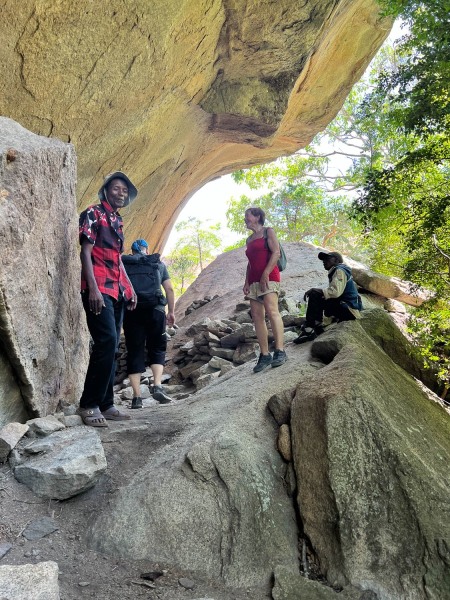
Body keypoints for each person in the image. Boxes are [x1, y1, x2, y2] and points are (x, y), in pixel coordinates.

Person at [78, 171, 138, 427]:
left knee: (112, 348)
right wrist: (92, 289)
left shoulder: (118, 220)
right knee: (106, 341)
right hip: (98, 288)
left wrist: (130, 288)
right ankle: (88, 405)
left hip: (117, 290)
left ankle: (107, 403)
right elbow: (85, 252)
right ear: (106, 191)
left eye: (124, 190)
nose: (121, 193)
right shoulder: (93, 213)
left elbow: (117, 260)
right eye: (116, 188)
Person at [122, 239, 175, 408]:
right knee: (157, 347)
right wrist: (172, 312)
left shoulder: (125, 264)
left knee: (134, 350)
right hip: (156, 310)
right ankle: (158, 385)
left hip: (132, 310)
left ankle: (137, 398)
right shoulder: (157, 264)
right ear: (146, 249)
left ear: (133, 250)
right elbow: (170, 289)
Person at [243, 207, 287, 373]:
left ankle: (280, 350)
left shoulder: (268, 232)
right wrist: (246, 281)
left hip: (269, 277)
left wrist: (266, 274)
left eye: (247, 216)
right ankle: (265, 354)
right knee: (256, 316)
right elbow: (250, 262)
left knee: (271, 310)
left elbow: (275, 253)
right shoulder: (249, 240)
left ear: (257, 217)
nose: (245, 219)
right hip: (254, 280)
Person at [294, 251, 362, 344]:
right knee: (318, 294)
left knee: (315, 294)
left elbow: (336, 292)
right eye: (323, 260)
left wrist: (317, 291)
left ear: (337, 260)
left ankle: (309, 330)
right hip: (347, 307)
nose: (324, 261)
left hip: (348, 309)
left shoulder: (340, 270)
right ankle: (317, 326)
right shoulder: (338, 270)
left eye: (327, 259)